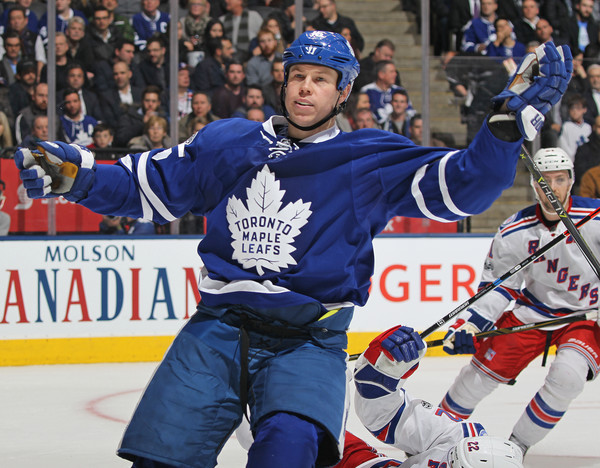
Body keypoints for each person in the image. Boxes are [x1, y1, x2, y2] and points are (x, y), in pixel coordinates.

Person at [14, 31, 571, 468]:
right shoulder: (227, 142)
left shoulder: (367, 158)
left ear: (344, 90)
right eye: (297, 76)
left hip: (309, 340)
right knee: (162, 460)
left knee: (288, 450)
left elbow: (464, 186)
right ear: (283, 82)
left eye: (321, 79)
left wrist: (502, 128)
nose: (305, 87)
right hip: (217, 330)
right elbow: (146, 187)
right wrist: (78, 177)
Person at [439, 147, 600, 459]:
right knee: (477, 378)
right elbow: (499, 288)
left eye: (560, 179)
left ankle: (516, 447)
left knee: (568, 377)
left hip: (586, 316)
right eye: (544, 181)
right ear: (533, 185)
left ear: (571, 181)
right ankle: (432, 437)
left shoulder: (595, 218)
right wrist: (471, 324)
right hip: (534, 312)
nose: (552, 188)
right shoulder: (515, 230)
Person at [343, 325, 523, 467]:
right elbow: (386, 418)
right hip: (354, 460)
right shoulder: (460, 439)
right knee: (317, 430)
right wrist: (380, 376)